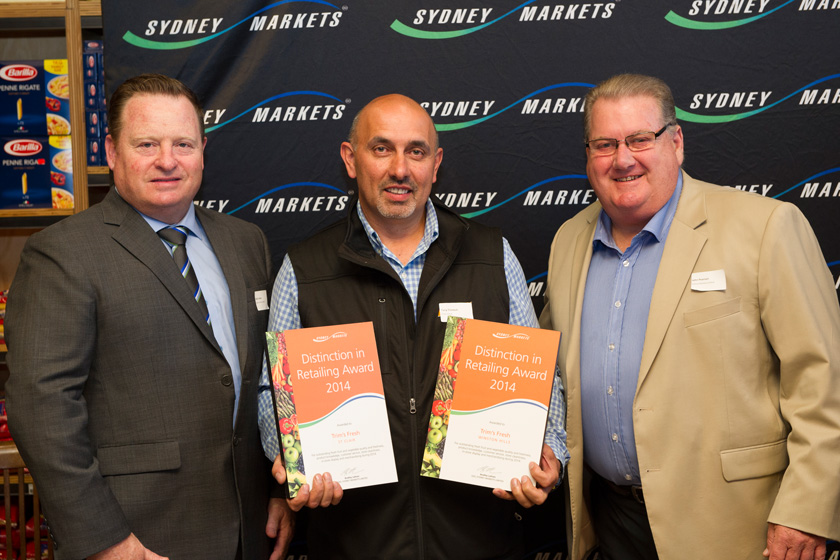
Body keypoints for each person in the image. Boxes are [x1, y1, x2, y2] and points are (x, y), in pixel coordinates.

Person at [540, 73, 840, 560]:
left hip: (733, 525)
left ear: (676, 142)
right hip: (612, 524)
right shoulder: (569, 241)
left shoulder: (765, 227)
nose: (623, 159)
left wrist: (806, 510)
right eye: (605, 144)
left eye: (640, 139)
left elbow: (824, 381)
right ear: (589, 156)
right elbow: (548, 372)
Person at [256, 93, 569, 558]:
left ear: (435, 165)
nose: (400, 169)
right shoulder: (304, 268)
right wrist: (288, 455)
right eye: (381, 149)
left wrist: (550, 451)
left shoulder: (492, 256)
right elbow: (272, 391)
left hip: (478, 541)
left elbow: (540, 382)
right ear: (350, 159)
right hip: (357, 543)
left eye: (416, 151)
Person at [5, 74, 292, 560]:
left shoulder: (246, 242)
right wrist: (104, 541)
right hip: (139, 535)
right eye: (147, 144)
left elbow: (268, 378)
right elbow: (42, 409)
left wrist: (280, 490)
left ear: (203, 151)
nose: (167, 160)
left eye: (183, 144)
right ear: (112, 152)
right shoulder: (62, 253)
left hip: (249, 529)